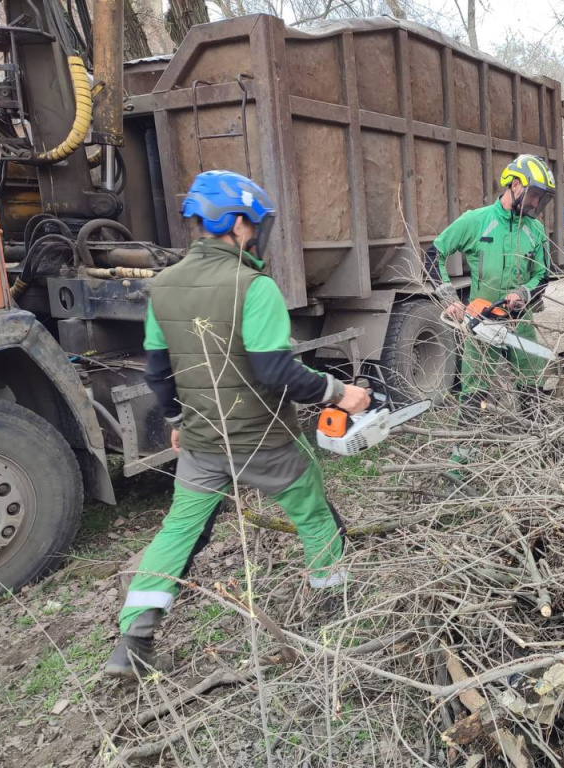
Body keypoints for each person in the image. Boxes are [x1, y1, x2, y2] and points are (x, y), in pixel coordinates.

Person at [105, 170, 370, 680]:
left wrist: (178, 419)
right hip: (267, 439)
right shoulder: (254, 286)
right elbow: (275, 370)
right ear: (239, 225)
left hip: (203, 440)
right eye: (255, 224)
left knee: (179, 529)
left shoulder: (163, 287)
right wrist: (342, 393)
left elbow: (158, 372)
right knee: (313, 512)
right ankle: (336, 607)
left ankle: (133, 639)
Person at [426, 154, 556, 466]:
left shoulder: (534, 231)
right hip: (481, 325)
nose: (538, 202)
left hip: (520, 325)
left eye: (542, 197)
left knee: (532, 388)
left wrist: (523, 292)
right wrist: (449, 298)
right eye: (535, 194)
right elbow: (434, 254)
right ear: (516, 186)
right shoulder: (478, 220)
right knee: (473, 394)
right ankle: (461, 463)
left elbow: (544, 276)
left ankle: (543, 453)